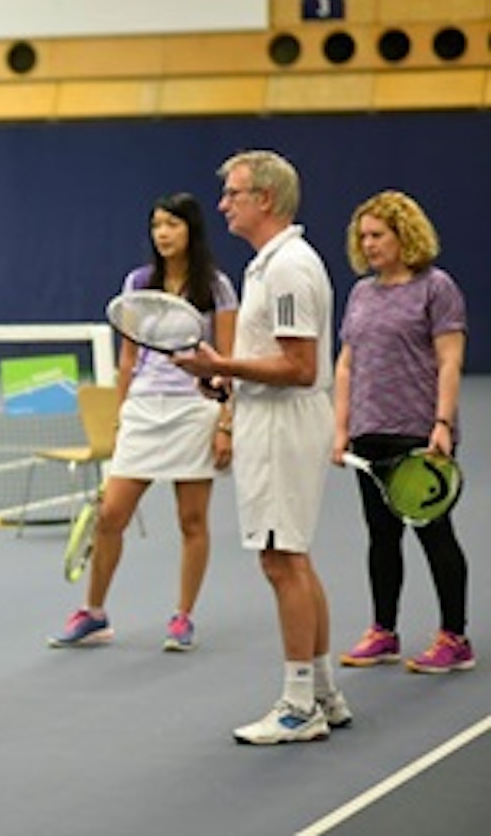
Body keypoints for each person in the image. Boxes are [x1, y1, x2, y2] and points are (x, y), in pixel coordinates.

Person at [174, 150, 351, 745]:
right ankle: (324, 691)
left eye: (234, 194)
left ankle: (299, 705)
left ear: (265, 200)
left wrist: (222, 362)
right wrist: (226, 378)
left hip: (283, 424)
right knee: (293, 555)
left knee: (281, 560)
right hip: (270, 415)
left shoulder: (287, 269)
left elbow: (300, 367)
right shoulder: (266, 266)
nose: (223, 204)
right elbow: (274, 359)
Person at [49, 192, 237, 651]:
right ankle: (94, 613)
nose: (163, 234)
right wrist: (120, 414)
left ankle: (182, 617)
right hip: (144, 410)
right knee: (111, 515)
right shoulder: (138, 283)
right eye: (156, 226)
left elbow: (227, 363)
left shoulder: (216, 287)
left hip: (194, 410)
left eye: (172, 224)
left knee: (191, 520)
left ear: (191, 229)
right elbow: (129, 358)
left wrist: (225, 423)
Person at [333, 190, 473, 674]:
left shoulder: (436, 288)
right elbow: (347, 365)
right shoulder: (361, 294)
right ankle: (383, 632)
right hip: (369, 433)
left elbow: (450, 359)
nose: (369, 245)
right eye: (363, 236)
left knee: (435, 534)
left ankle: (454, 638)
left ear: (403, 235)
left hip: (419, 432)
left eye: (378, 235)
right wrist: (341, 428)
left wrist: (442, 423)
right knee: (381, 536)